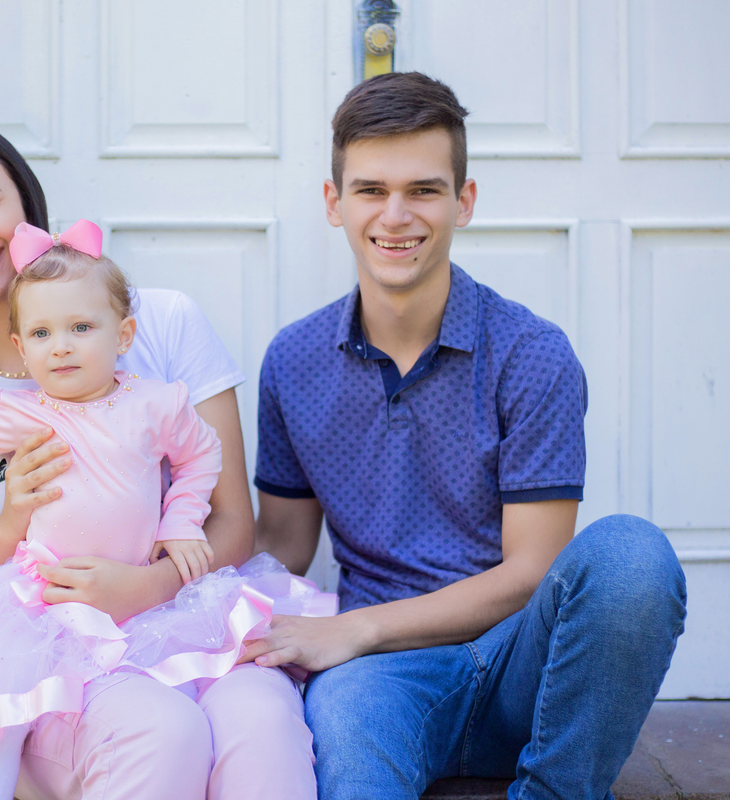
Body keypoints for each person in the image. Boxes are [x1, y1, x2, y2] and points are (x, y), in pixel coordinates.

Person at [242, 72, 688, 799]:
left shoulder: (531, 354)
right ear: (333, 203)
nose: (396, 215)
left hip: (522, 665)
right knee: (351, 762)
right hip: (380, 682)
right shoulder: (293, 361)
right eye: (370, 190)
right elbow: (282, 547)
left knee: (633, 556)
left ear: (464, 200)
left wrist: (357, 630)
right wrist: (154, 556)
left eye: (423, 189)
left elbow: (532, 571)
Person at [0, 118, 317, 800]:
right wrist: (12, 525)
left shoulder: (159, 323)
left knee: (263, 718)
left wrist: (149, 586)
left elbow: (232, 524)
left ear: (27, 209)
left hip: (187, 614)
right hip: (63, 660)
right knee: (163, 731)